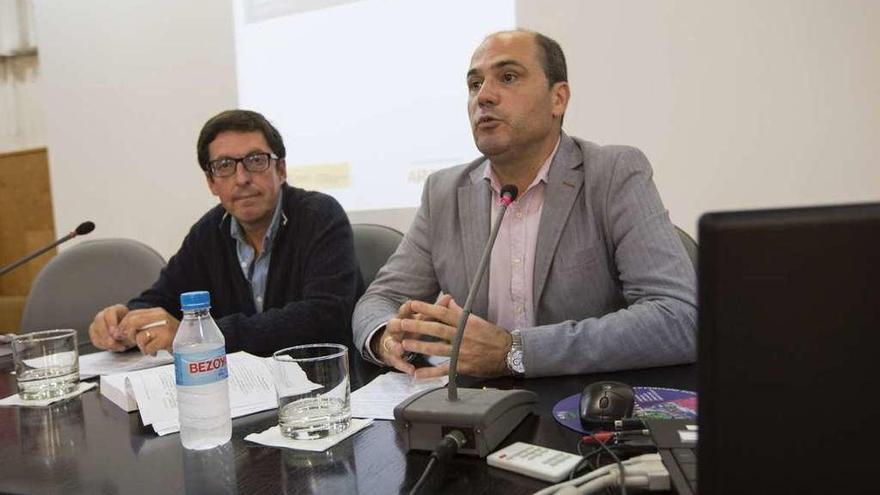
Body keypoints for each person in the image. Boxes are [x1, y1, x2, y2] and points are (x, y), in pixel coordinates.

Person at [352, 30, 696, 378]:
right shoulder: (443, 191)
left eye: (508, 77)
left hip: (586, 406)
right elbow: (379, 301)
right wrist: (385, 336)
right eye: (474, 84)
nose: (483, 96)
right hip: (478, 410)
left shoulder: (613, 174)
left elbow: (679, 316)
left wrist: (513, 351)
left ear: (558, 99)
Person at [89, 109, 363, 356]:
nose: (242, 178)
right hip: (242, 393)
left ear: (281, 169)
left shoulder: (320, 216)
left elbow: (324, 317)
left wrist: (201, 337)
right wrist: (125, 320)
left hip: (322, 386)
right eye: (224, 166)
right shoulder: (209, 231)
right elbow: (165, 297)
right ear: (211, 182)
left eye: (256, 161)